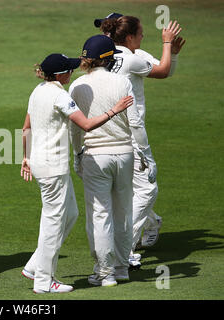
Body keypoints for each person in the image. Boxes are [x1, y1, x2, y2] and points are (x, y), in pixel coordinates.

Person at [21, 53, 133, 293]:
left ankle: (34, 266)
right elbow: (86, 125)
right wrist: (115, 110)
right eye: (69, 70)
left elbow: (26, 129)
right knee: (52, 223)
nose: (73, 72)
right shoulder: (60, 95)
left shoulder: (37, 90)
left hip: (42, 164)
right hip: (52, 168)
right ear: (61, 74)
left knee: (70, 214)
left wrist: (26, 157)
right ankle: (43, 281)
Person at [95, 13, 185, 253]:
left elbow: (164, 68)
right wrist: (167, 43)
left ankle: (145, 227)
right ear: (130, 36)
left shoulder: (106, 56)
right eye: (141, 32)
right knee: (145, 189)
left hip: (108, 130)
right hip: (130, 133)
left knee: (127, 189)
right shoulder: (129, 58)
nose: (144, 35)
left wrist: (171, 54)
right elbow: (164, 71)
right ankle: (125, 247)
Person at [69, 34, 153, 286]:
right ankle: (121, 268)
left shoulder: (77, 85)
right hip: (124, 154)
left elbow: (75, 129)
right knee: (123, 212)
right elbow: (135, 123)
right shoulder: (122, 82)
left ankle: (104, 273)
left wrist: (77, 154)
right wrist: (146, 154)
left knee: (99, 214)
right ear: (109, 59)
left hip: (95, 155)